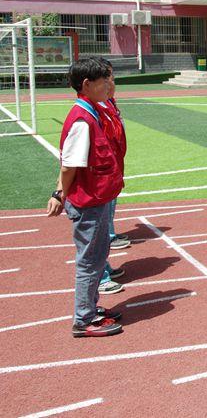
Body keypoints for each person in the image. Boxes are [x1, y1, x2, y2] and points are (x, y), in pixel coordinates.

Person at [46, 57, 124, 337]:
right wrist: (59, 193)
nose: (109, 85)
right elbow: (69, 165)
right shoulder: (82, 119)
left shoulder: (92, 111)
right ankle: (84, 319)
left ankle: (90, 308)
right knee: (91, 261)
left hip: (96, 198)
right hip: (88, 202)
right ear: (87, 85)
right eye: (104, 81)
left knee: (97, 256)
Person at [96, 59, 128, 296]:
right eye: (108, 79)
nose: (112, 83)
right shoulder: (93, 111)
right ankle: (101, 277)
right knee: (97, 233)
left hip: (113, 174)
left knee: (106, 219)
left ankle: (104, 268)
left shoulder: (108, 105)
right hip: (101, 180)